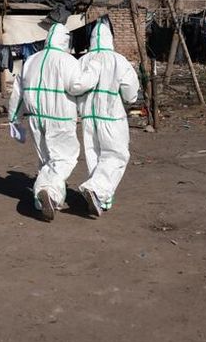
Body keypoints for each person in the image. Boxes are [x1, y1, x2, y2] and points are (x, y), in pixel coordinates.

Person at [7, 22, 87, 222]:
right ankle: (45, 191)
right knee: (64, 159)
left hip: (35, 118)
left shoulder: (31, 60)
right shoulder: (68, 61)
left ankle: (49, 200)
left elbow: (18, 93)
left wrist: (14, 119)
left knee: (46, 160)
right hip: (59, 118)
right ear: (65, 40)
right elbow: (76, 87)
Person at [68, 18, 139, 218]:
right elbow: (130, 93)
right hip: (112, 116)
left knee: (95, 157)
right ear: (110, 39)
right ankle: (97, 190)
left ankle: (103, 199)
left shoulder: (83, 60)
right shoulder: (118, 60)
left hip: (88, 117)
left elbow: (75, 86)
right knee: (116, 156)